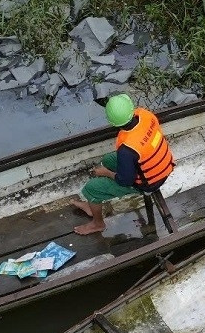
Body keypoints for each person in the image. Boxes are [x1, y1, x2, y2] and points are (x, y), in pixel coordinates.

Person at [71, 94, 175, 235]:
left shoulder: (127, 149)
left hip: (149, 183)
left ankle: (97, 223)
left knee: (92, 188)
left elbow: (125, 180)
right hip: (163, 165)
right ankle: (92, 205)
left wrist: (106, 173)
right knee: (108, 160)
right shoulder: (145, 115)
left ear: (113, 124)